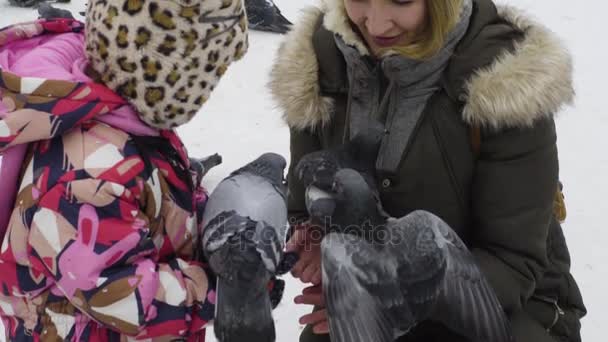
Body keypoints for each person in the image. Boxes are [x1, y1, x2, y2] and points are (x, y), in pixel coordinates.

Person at [269, 0, 586, 341]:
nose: (376, 24)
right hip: (368, 296)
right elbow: (306, 198)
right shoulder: (316, 64)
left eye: (401, 0)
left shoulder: (506, 80)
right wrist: (314, 234)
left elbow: (513, 263)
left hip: (501, 301)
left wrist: (392, 295)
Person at [0, 0, 257, 340]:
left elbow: (156, 194)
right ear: (166, 77)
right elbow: (125, 298)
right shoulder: (90, 176)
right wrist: (219, 291)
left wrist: (211, 221)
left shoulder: (122, 120)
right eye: (208, 77)